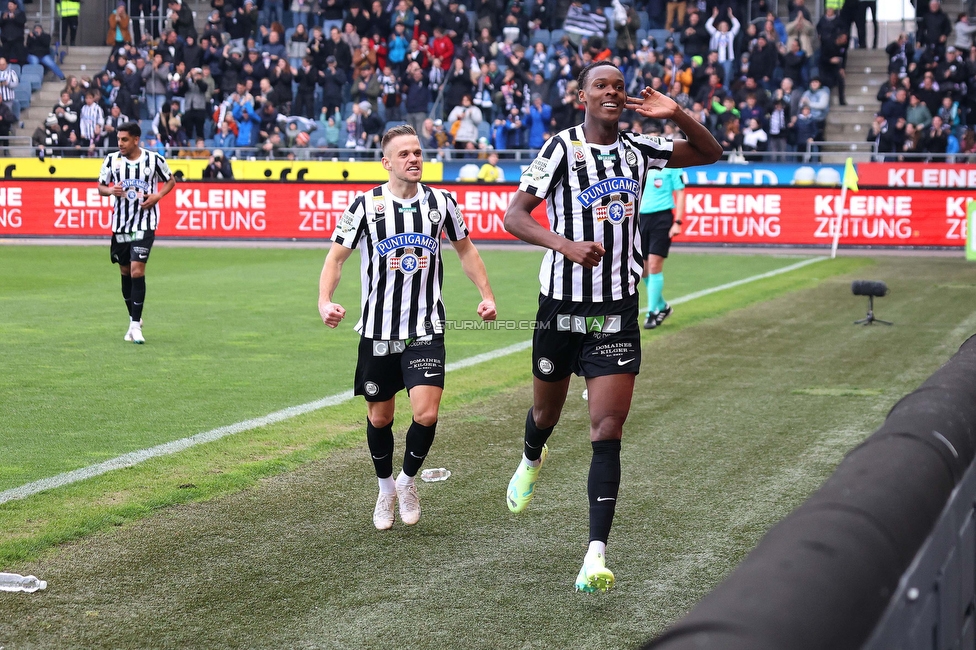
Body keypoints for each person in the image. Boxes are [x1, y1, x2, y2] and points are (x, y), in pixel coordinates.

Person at [502, 60, 721, 593]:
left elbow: (711, 152)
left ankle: (594, 555)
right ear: (583, 96)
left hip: (615, 312)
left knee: (607, 430)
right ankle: (532, 456)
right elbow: (514, 216)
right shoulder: (561, 149)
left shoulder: (641, 148)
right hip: (561, 307)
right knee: (546, 412)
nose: (612, 92)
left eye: (619, 87)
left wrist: (678, 112)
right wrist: (565, 244)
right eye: (601, 85)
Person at [318, 124, 497, 531]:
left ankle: (407, 481)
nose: (414, 159)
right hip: (378, 332)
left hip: (426, 328)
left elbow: (465, 249)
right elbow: (336, 259)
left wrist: (486, 293)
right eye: (405, 154)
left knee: (427, 413)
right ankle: (385, 489)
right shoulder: (365, 206)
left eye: (418, 152)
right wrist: (324, 301)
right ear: (387, 163)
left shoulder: (442, 203)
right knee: (380, 419)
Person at [97, 122, 177, 345]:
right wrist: (110, 190)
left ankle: (135, 326)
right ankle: (134, 319)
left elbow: (171, 181)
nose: (120, 143)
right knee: (125, 272)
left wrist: (157, 196)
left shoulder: (154, 160)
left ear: (135, 140)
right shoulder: (112, 160)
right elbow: (100, 187)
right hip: (120, 226)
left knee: (136, 270)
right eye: (118, 140)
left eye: (124, 139)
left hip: (144, 224)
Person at [638, 165, 686, 330]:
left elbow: (680, 192)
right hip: (640, 218)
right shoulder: (640, 159)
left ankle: (651, 313)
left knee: (654, 266)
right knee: (641, 269)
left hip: (662, 218)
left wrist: (678, 222)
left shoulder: (672, 165)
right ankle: (663, 307)